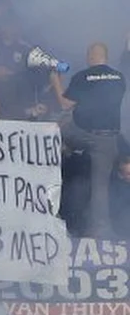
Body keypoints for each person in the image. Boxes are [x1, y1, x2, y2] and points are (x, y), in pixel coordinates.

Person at [51, 42, 126, 236]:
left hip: (83, 133)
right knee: (100, 187)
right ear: (105, 57)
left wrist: (55, 80)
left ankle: (59, 153)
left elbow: (65, 104)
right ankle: (101, 232)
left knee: (54, 130)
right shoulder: (119, 77)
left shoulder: (82, 76)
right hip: (109, 138)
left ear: (91, 56)